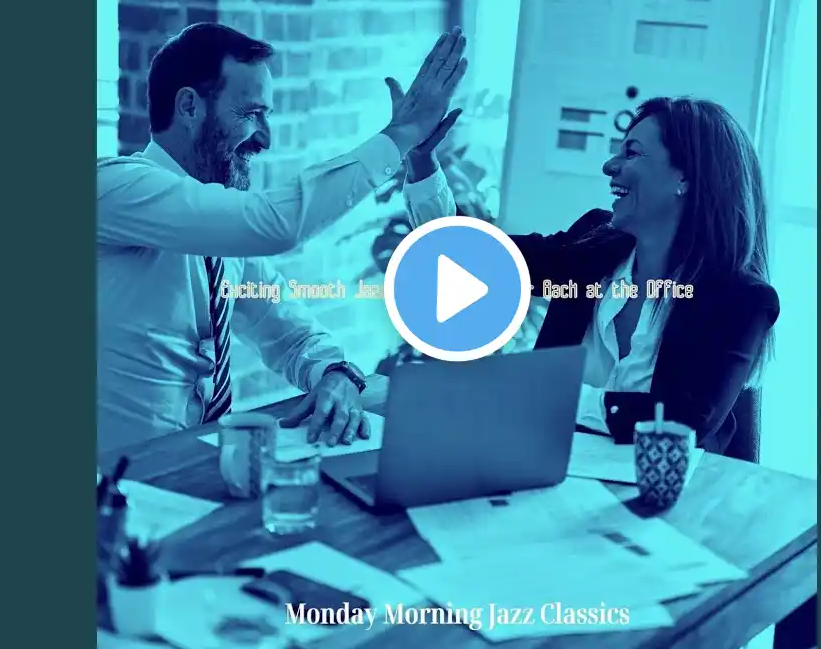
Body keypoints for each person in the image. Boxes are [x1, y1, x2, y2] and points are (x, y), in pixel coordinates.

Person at [97, 23, 466, 455]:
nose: (265, 139)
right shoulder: (114, 188)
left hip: (198, 467)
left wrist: (335, 372)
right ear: (190, 106)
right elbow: (274, 223)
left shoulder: (220, 233)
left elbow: (289, 332)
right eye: (251, 113)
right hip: (111, 480)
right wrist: (401, 135)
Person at [408, 97, 778, 454]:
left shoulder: (740, 299)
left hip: (664, 490)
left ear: (685, 177)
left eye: (632, 153)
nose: (609, 166)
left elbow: (684, 420)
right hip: (546, 469)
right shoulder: (593, 245)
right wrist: (422, 159)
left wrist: (554, 396)